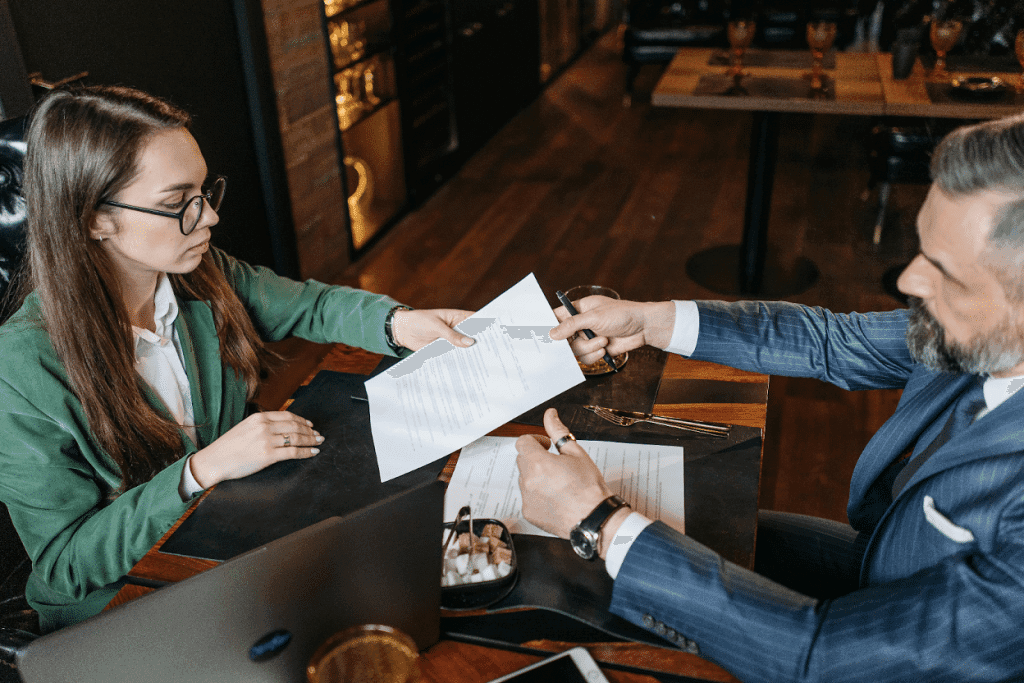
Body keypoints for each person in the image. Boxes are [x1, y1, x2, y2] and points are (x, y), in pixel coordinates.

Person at [516, 113, 1024, 682]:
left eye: (944, 271)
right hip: (885, 563)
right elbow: (835, 340)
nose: (908, 280)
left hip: (871, 654)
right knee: (671, 535)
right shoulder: (984, 332)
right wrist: (651, 321)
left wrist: (598, 524)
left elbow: (823, 660)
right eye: (922, 248)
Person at [0, 85, 475, 632]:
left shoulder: (201, 275)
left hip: (229, 535)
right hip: (127, 603)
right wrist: (202, 470)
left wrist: (400, 322)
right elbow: (64, 565)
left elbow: (314, 306)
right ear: (92, 218)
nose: (207, 219)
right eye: (177, 203)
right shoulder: (19, 370)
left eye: (204, 191)